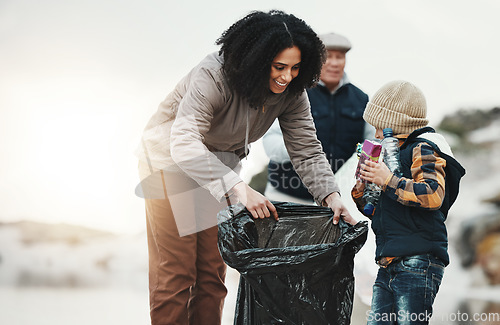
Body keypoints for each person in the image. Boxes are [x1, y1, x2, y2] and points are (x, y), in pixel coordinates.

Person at [135, 10, 356, 325]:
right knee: (178, 272)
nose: (287, 76)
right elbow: (183, 143)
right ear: (255, 59)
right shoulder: (212, 76)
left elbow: (306, 150)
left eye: (295, 68)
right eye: (279, 67)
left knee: (212, 273)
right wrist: (239, 190)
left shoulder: (292, 91)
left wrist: (331, 197)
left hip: (219, 168)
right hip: (168, 162)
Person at [351, 80, 466, 324]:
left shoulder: (423, 148)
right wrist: (364, 186)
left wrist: (388, 179)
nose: (377, 135)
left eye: (381, 128)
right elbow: (379, 211)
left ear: (398, 125)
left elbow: (433, 195)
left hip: (418, 260)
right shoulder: (388, 158)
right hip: (388, 260)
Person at [263, 32, 372, 204]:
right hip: (286, 196)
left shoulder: (362, 99)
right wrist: (303, 151)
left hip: (338, 200)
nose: (334, 63)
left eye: (340, 57)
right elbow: (270, 142)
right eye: (328, 56)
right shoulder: (293, 93)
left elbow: (372, 144)